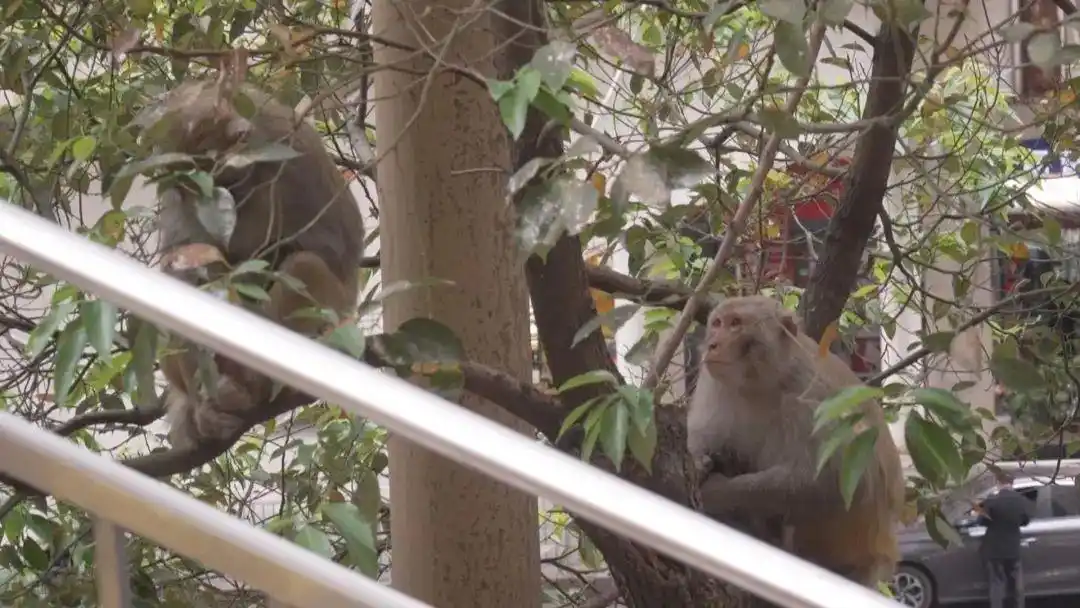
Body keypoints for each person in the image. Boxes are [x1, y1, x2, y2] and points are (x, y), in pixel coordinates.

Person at [974, 476, 1032, 608]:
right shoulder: (1021, 501)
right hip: (1013, 548)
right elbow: (1025, 521)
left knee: (996, 583)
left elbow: (981, 521)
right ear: (1012, 483)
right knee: (1016, 584)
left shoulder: (992, 500)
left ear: (998, 484)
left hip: (994, 550)